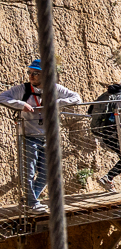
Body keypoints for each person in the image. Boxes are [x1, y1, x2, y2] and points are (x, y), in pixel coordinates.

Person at [0, 59, 82, 211]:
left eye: (35, 73)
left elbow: (77, 98)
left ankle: (30, 201)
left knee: (48, 172)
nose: (31, 76)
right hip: (28, 136)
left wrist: (57, 103)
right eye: (30, 73)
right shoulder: (23, 89)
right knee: (29, 172)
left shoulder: (54, 88)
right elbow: (2, 97)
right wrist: (20, 105)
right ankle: (31, 203)